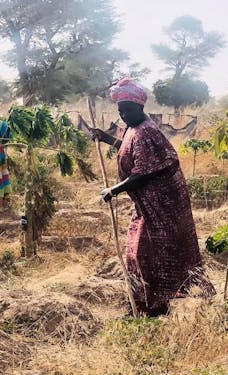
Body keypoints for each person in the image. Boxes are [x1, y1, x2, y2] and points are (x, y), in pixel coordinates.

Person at [91, 77, 215, 317]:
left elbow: (142, 173)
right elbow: (129, 148)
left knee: (147, 252)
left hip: (162, 207)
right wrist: (105, 138)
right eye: (120, 111)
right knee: (141, 252)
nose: (124, 115)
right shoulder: (134, 128)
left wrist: (112, 191)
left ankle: (155, 305)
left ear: (140, 107)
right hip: (147, 206)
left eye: (127, 110)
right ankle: (145, 304)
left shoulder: (146, 131)